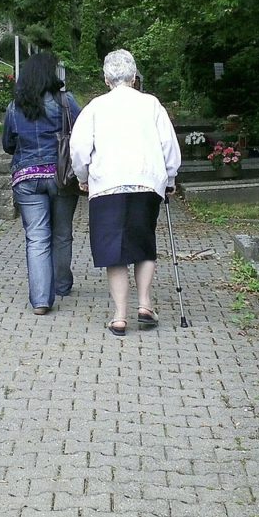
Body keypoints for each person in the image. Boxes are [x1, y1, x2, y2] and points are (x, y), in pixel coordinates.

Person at [69, 49, 181, 336]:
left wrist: (83, 177)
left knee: (114, 250)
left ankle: (120, 316)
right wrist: (169, 178)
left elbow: (79, 148)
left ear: (106, 79)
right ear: (134, 77)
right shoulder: (151, 104)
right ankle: (145, 304)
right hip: (146, 182)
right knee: (144, 242)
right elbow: (168, 145)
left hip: (107, 184)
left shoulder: (95, 107)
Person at [2, 52, 81, 316]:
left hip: (26, 178)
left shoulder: (15, 106)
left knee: (37, 238)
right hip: (62, 177)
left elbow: (7, 144)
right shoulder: (66, 102)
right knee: (61, 233)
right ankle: (61, 285)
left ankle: (40, 300)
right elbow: (81, 137)